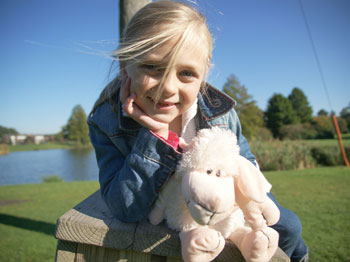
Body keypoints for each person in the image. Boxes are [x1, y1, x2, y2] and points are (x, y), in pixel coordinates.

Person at [87, 1, 308, 261]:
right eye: (152, 67)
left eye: (186, 73)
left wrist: (249, 202)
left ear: (204, 75)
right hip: (168, 216)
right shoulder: (107, 121)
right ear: (126, 65)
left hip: (224, 208)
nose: (168, 87)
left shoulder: (222, 114)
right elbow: (123, 207)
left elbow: (245, 161)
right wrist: (156, 136)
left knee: (289, 227)